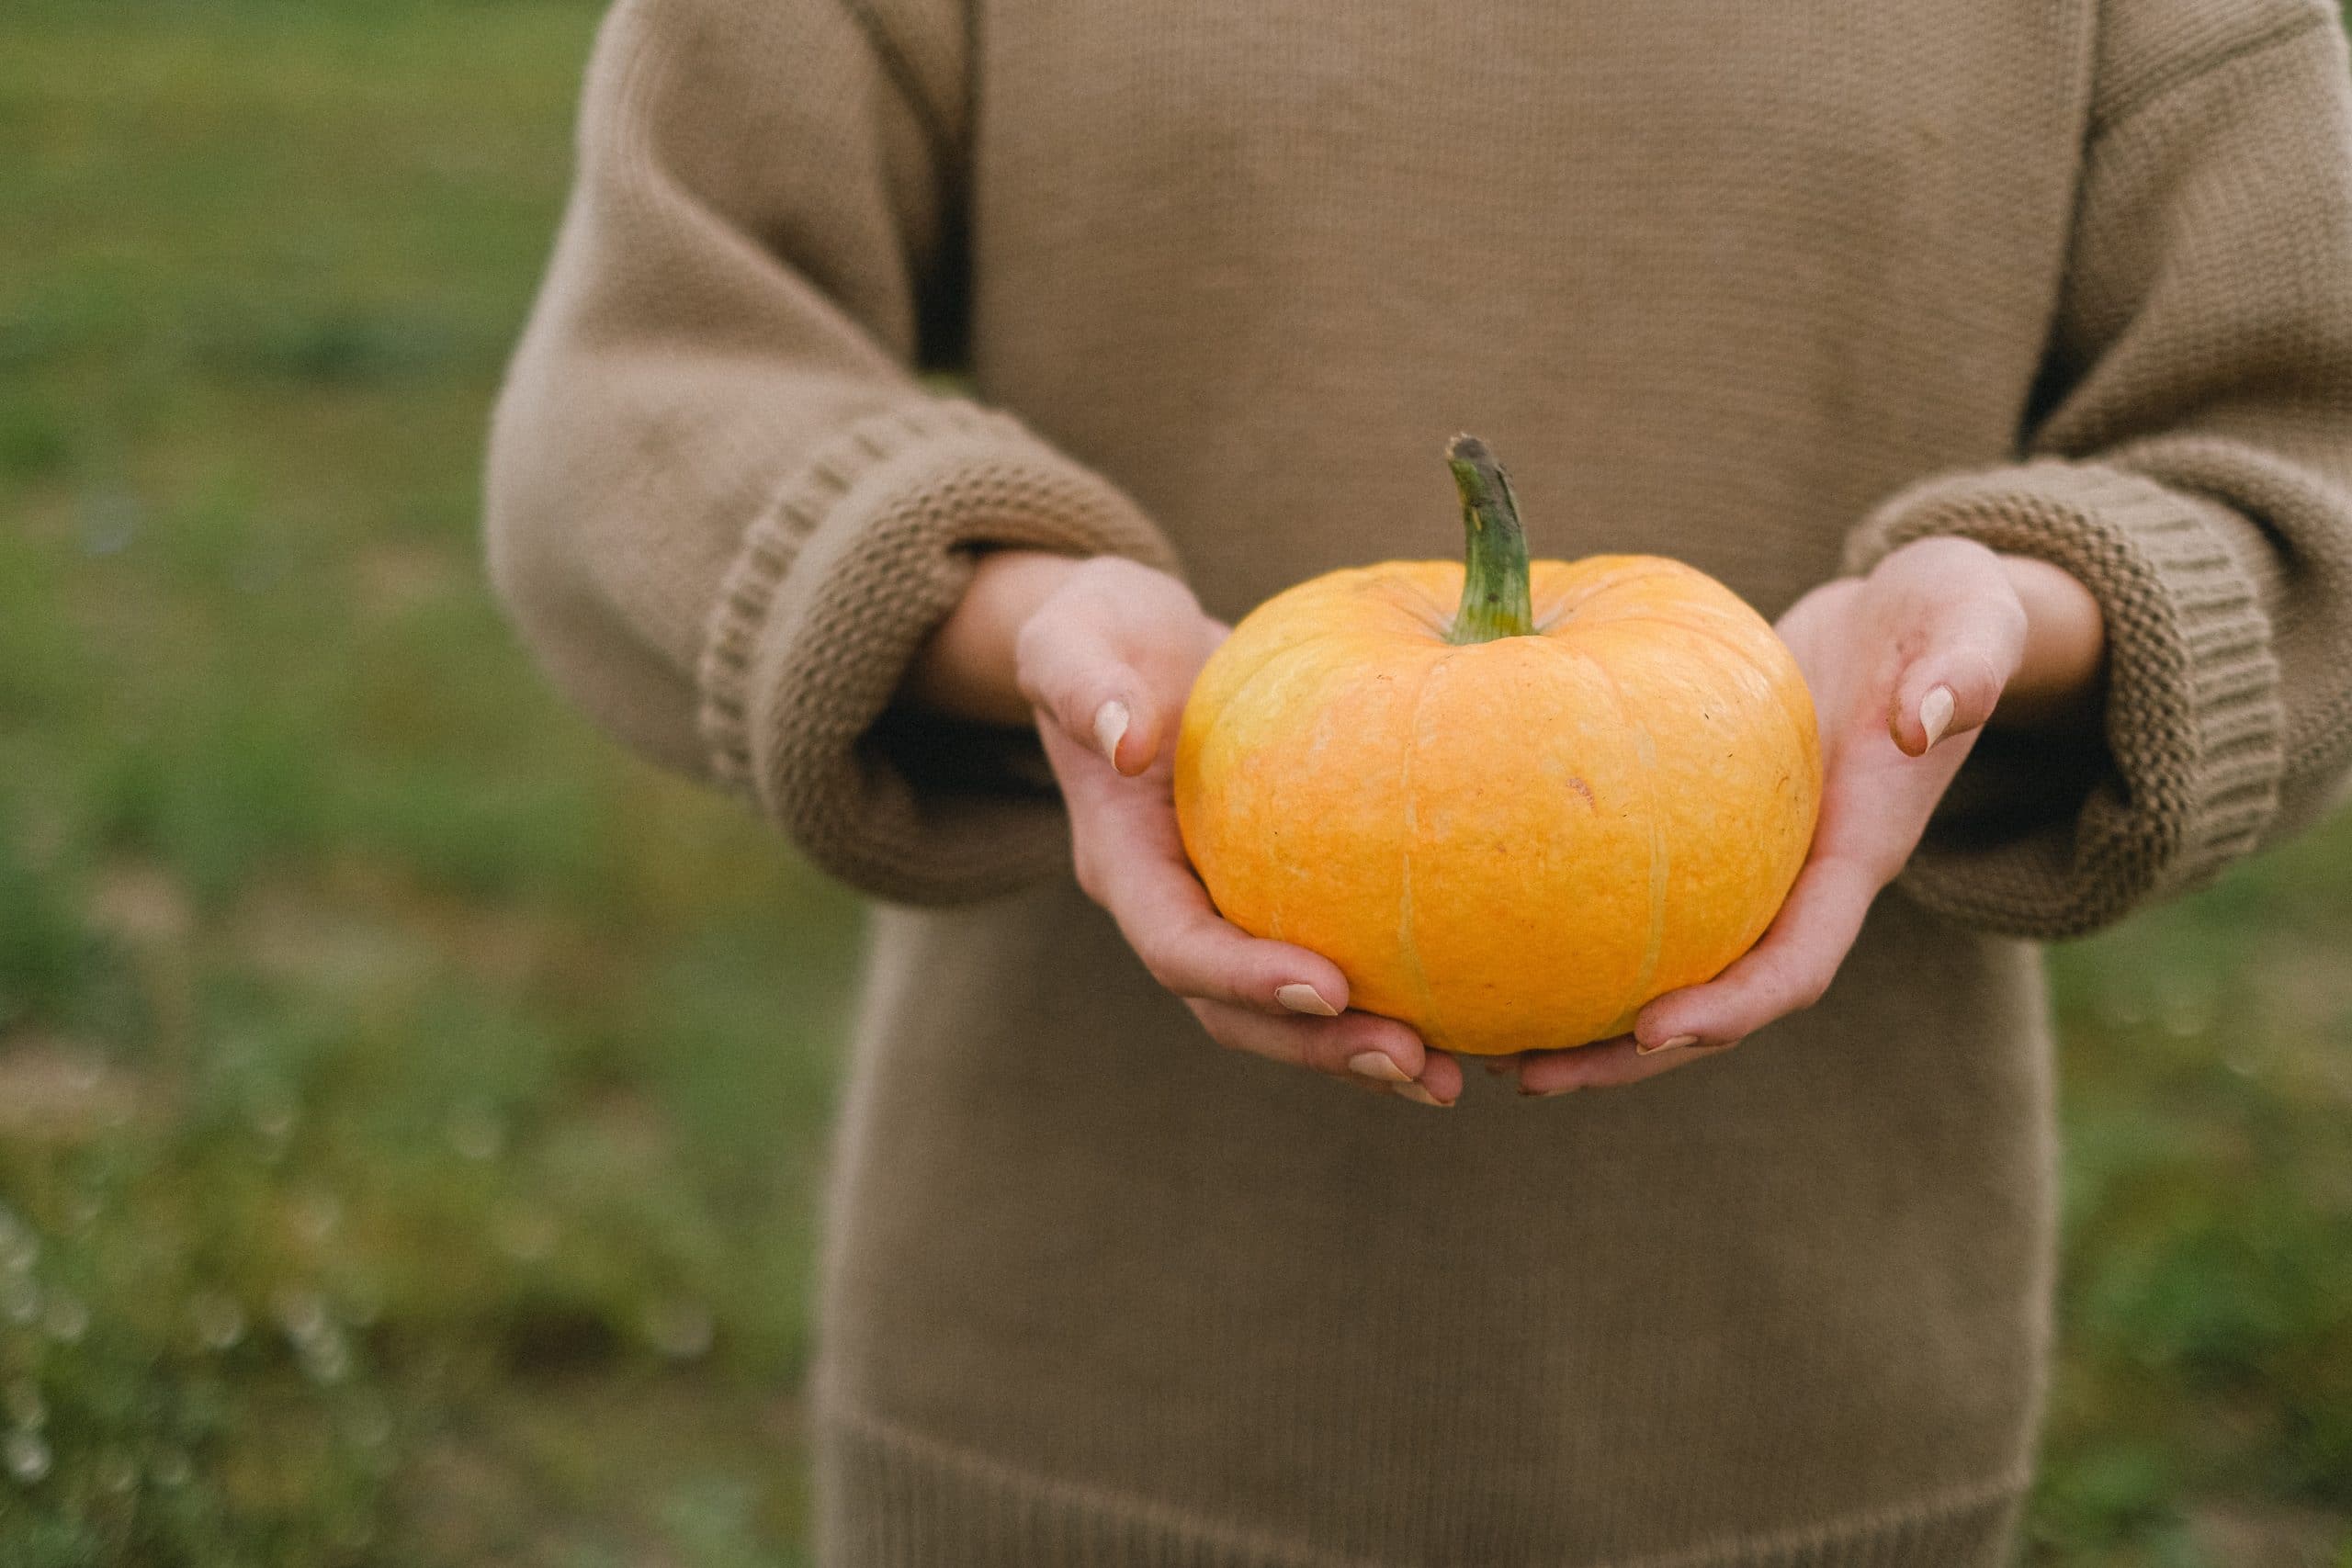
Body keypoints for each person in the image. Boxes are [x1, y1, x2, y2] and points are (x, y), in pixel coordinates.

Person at [484, 0, 2352, 1560]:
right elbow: (642, 388)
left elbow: (2298, 458)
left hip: (1794, 1375)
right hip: (1080, 1332)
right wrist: (1005, 614)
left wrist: (2013, 628)